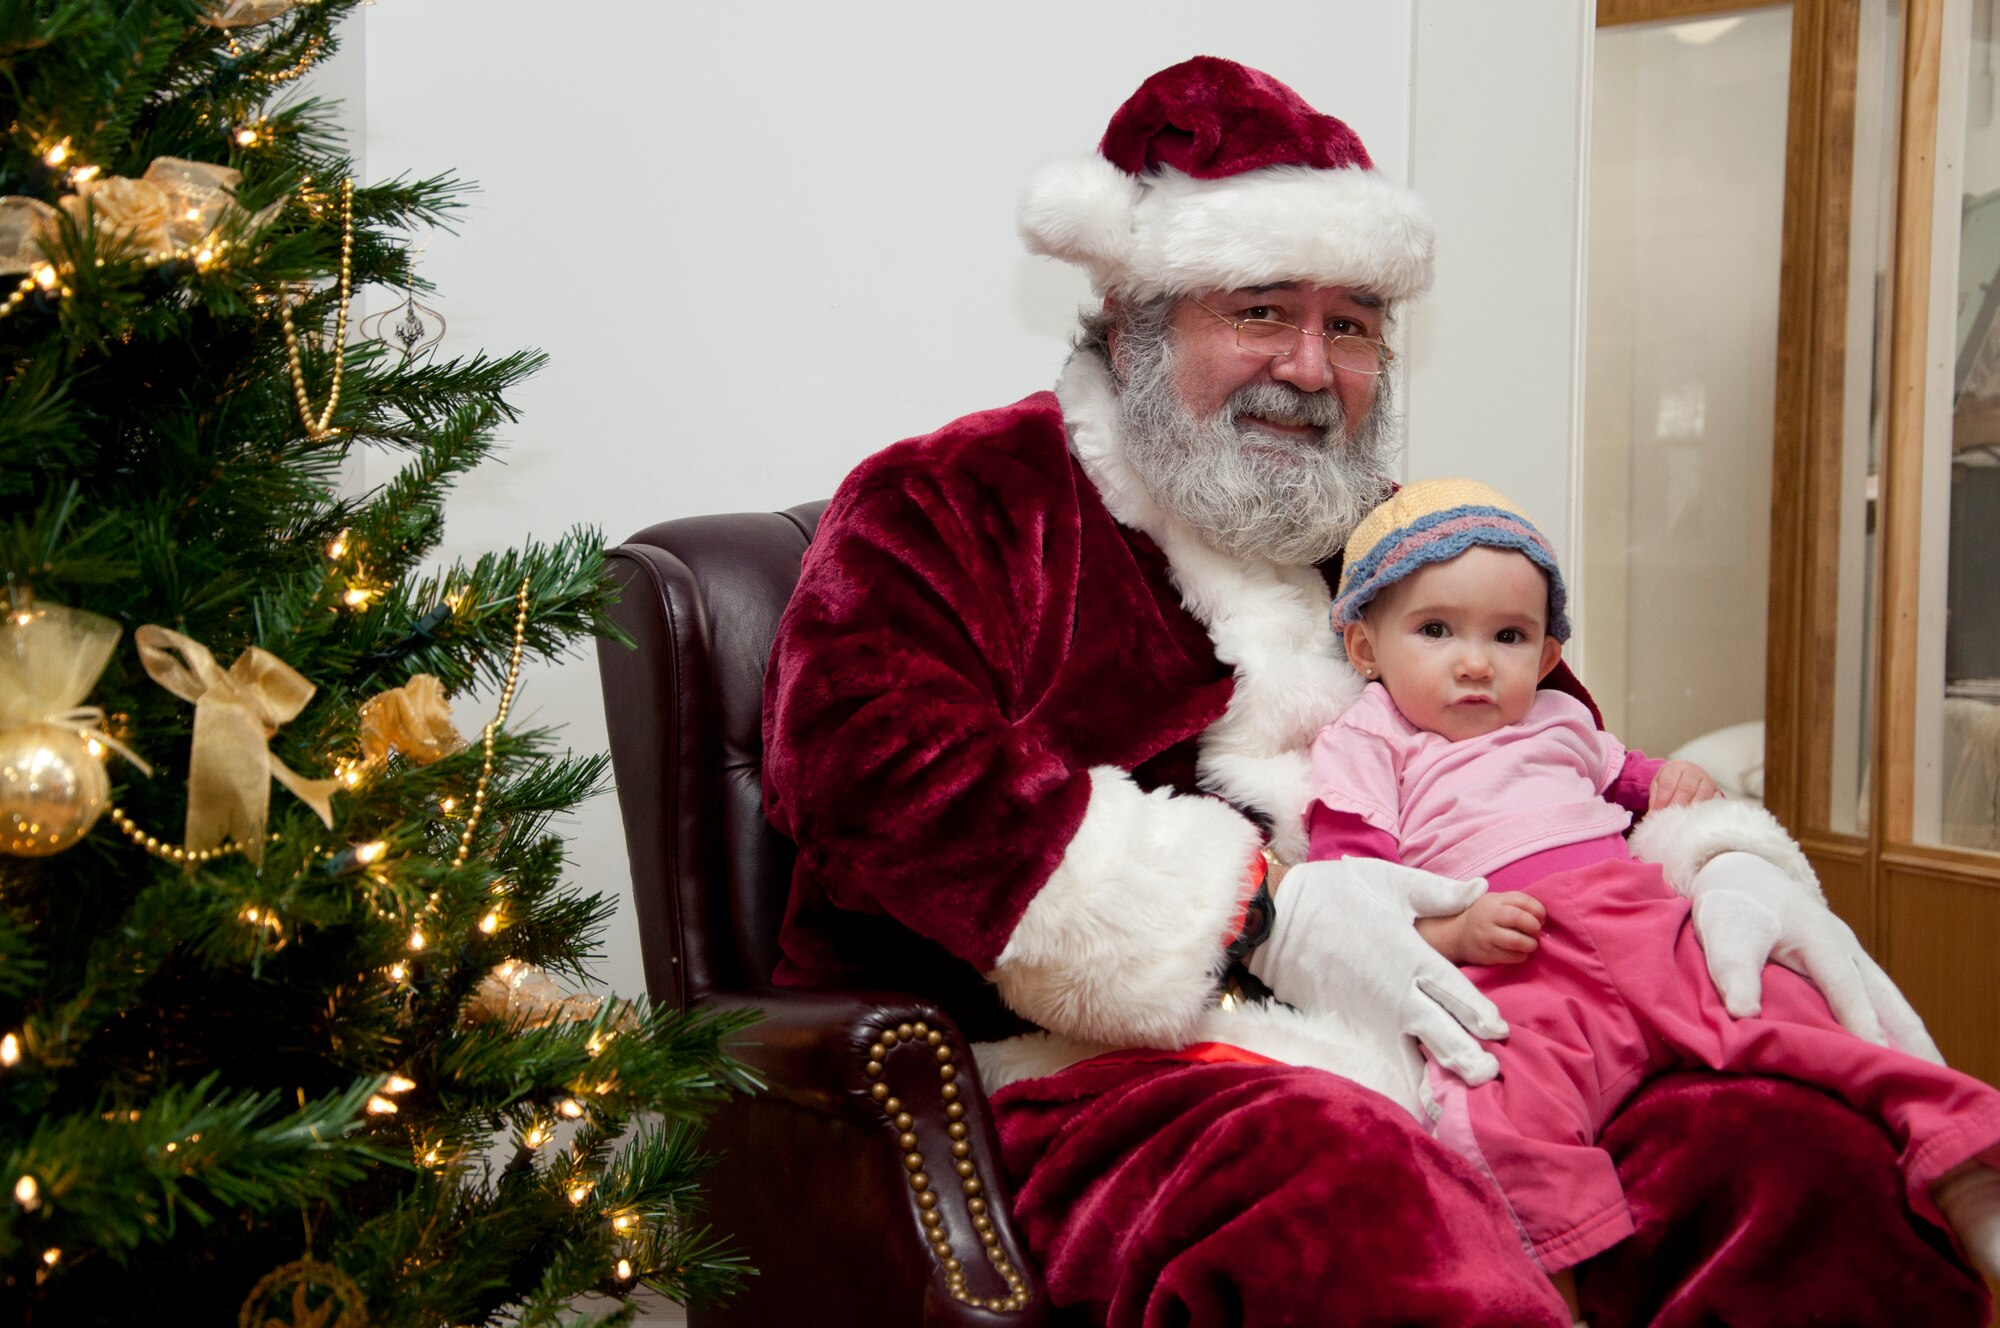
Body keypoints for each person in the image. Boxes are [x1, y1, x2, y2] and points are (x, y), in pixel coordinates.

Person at [760, 55, 1992, 1326]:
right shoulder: (952, 500)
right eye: (1257, 309)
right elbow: (862, 762)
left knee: (1804, 1162)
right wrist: (1261, 912)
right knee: (1364, 1212)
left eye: (1349, 323)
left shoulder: (1396, 537)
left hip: (1495, 1033)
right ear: (1134, 316)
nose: (1308, 367)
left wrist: (1714, 860)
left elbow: (1549, 746)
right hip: (1105, 1067)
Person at [1293, 477, 2000, 1317]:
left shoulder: (1558, 719)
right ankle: (1546, 1281)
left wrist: (1684, 782)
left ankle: (1962, 1167)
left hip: (1646, 927)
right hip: (1522, 965)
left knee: (1810, 1014)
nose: (1475, 661)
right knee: (1489, 1111)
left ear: (1548, 658)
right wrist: (1453, 930)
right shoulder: (1369, 739)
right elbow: (1358, 888)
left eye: (1509, 636)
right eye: (1436, 631)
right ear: (1366, 648)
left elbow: (1639, 781)